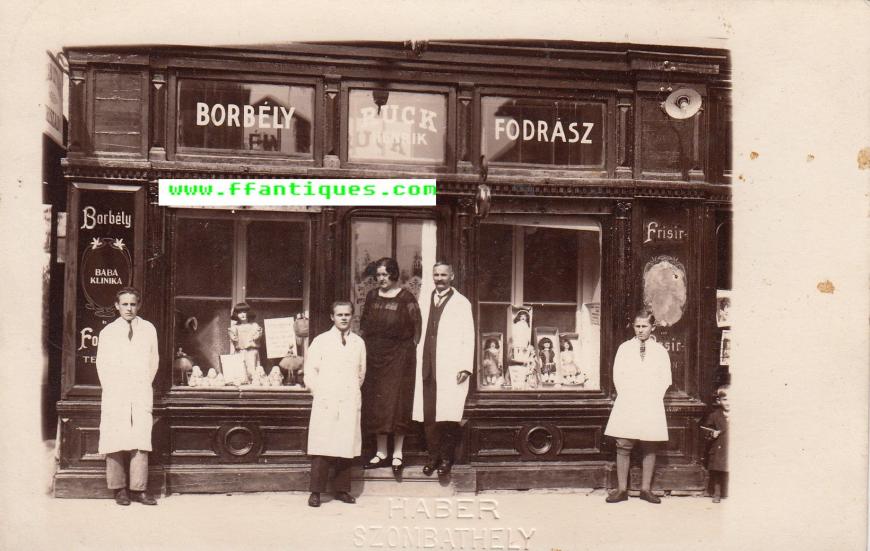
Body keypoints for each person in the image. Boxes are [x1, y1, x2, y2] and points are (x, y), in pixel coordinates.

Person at [96, 287, 159, 506]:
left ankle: (139, 489)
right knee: (115, 435)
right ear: (117, 306)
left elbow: (154, 360)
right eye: (124, 304)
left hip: (140, 388)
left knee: (140, 436)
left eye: (133, 304)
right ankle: (119, 488)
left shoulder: (149, 329)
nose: (129, 309)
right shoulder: (108, 332)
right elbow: (102, 364)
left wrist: (143, 383)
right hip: (116, 390)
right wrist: (114, 387)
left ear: (138, 305)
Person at [360, 257, 422, 475]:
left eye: (385, 274)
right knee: (377, 404)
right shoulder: (372, 296)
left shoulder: (406, 298)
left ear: (394, 274)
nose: (381, 279)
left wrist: (408, 354)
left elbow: (417, 328)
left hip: (399, 358)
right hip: (374, 356)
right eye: (378, 275)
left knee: (397, 403)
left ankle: (397, 453)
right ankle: (381, 452)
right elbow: (364, 325)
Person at [413, 261, 475, 476]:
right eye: (436, 275)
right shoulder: (424, 299)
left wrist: (465, 366)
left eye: (443, 275)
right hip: (427, 365)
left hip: (450, 367)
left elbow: (468, 336)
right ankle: (432, 457)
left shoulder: (461, 303)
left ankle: (446, 459)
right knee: (429, 416)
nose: (439, 279)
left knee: (448, 415)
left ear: (452, 277)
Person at [603, 309, 672, 504]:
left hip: (651, 402)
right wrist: (629, 395)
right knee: (623, 444)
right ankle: (622, 489)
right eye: (637, 326)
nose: (640, 330)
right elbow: (618, 375)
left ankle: (645, 489)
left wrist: (652, 397)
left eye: (644, 326)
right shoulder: (624, 348)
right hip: (628, 401)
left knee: (650, 445)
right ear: (633, 326)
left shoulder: (660, 351)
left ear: (653, 327)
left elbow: (665, 379)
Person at [305, 301, 366, 508]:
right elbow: (310, 371)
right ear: (332, 317)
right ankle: (316, 492)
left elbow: (361, 373)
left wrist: (350, 391)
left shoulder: (358, 343)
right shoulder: (321, 341)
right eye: (339, 314)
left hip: (348, 398)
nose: (343, 318)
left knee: (345, 443)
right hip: (326, 399)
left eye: (347, 314)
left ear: (352, 316)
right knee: (322, 445)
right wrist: (319, 392)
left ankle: (341, 489)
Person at [702, 385, 730, 503]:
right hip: (720, 447)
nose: (729, 402)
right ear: (719, 401)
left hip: (731, 447)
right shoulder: (714, 416)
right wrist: (712, 434)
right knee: (718, 470)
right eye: (725, 399)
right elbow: (707, 430)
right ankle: (717, 493)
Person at [228, 302, 262, 384]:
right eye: (239, 312)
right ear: (236, 314)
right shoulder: (234, 328)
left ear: (248, 313)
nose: (242, 314)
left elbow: (257, 337)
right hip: (239, 353)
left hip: (251, 352)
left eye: (244, 312)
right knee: (240, 375)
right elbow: (234, 339)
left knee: (253, 374)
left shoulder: (254, 326)